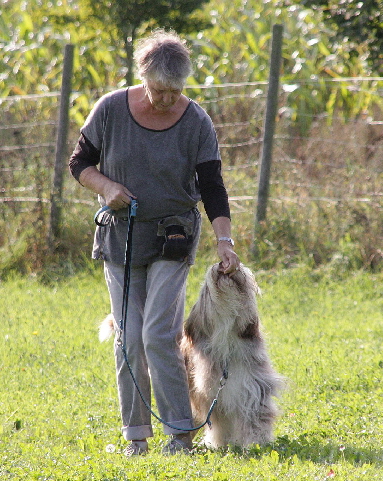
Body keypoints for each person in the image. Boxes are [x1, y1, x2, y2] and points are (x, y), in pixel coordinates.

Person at [69, 29, 240, 456]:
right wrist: (106, 187)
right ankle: (136, 438)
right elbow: (80, 163)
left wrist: (224, 240)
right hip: (120, 237)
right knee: (128, 338)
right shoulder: (110, 110)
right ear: (143, 75)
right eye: (160, 90)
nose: (167, 99)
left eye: (175, 91)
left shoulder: (196, 121)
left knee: (158, 335)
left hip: (172, 238)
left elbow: (212, 186)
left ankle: (180, 435)